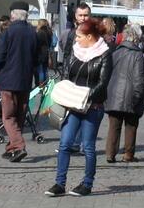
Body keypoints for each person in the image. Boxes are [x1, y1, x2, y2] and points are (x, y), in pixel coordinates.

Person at [46, 16, 112, 197]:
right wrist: (68, 93)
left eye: (79, 37)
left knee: (88, 147)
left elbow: (103, 83)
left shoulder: (105, 54)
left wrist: (84, 96)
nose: (76, 40)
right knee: (65, 143)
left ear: (90, 36)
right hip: (73, 106)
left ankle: (87, 184)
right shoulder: (75, 51)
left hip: (93, 106)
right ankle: (59, 184)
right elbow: (66, 74)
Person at [0, 2, 38, 162]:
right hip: (25, 79)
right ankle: (12, 148)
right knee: (19, 114)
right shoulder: (33, 32)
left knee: (8, 116)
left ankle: (18, 146)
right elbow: (38, 58)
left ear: (12, 15)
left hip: (9, 79)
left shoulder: (8, 32)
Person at [105, 22, 144, 162]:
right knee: (131, 125)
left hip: (114, 94)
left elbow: (108, 74)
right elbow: (138, 79)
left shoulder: (115, 52)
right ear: (137, 37)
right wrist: (138, 96)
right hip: (130, 94)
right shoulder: (137, 55)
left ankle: (110, 154)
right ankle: (128, 154)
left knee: (114, 126)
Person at [34, 18, 53, 84]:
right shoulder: (49, 32)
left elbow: (36, 43)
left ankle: (41, 84)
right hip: (46, 53)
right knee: (45, 70)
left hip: (40, 53)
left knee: (40, 70)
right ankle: (45, 84)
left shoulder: (40, 32)